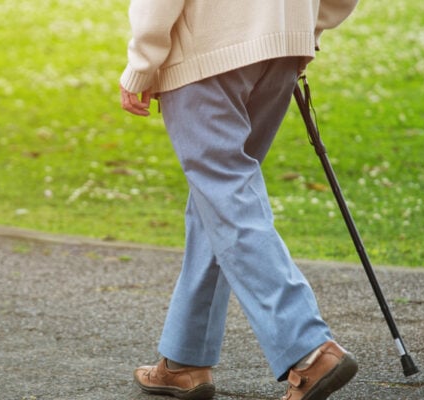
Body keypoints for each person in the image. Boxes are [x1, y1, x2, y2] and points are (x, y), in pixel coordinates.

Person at [119, 1, 360, 399]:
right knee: (217, 202)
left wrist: (142, 63)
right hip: (281, 50)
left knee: (226, 198)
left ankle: (309, 350)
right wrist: (302, 29)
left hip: (208, 53)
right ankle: (184, 361)